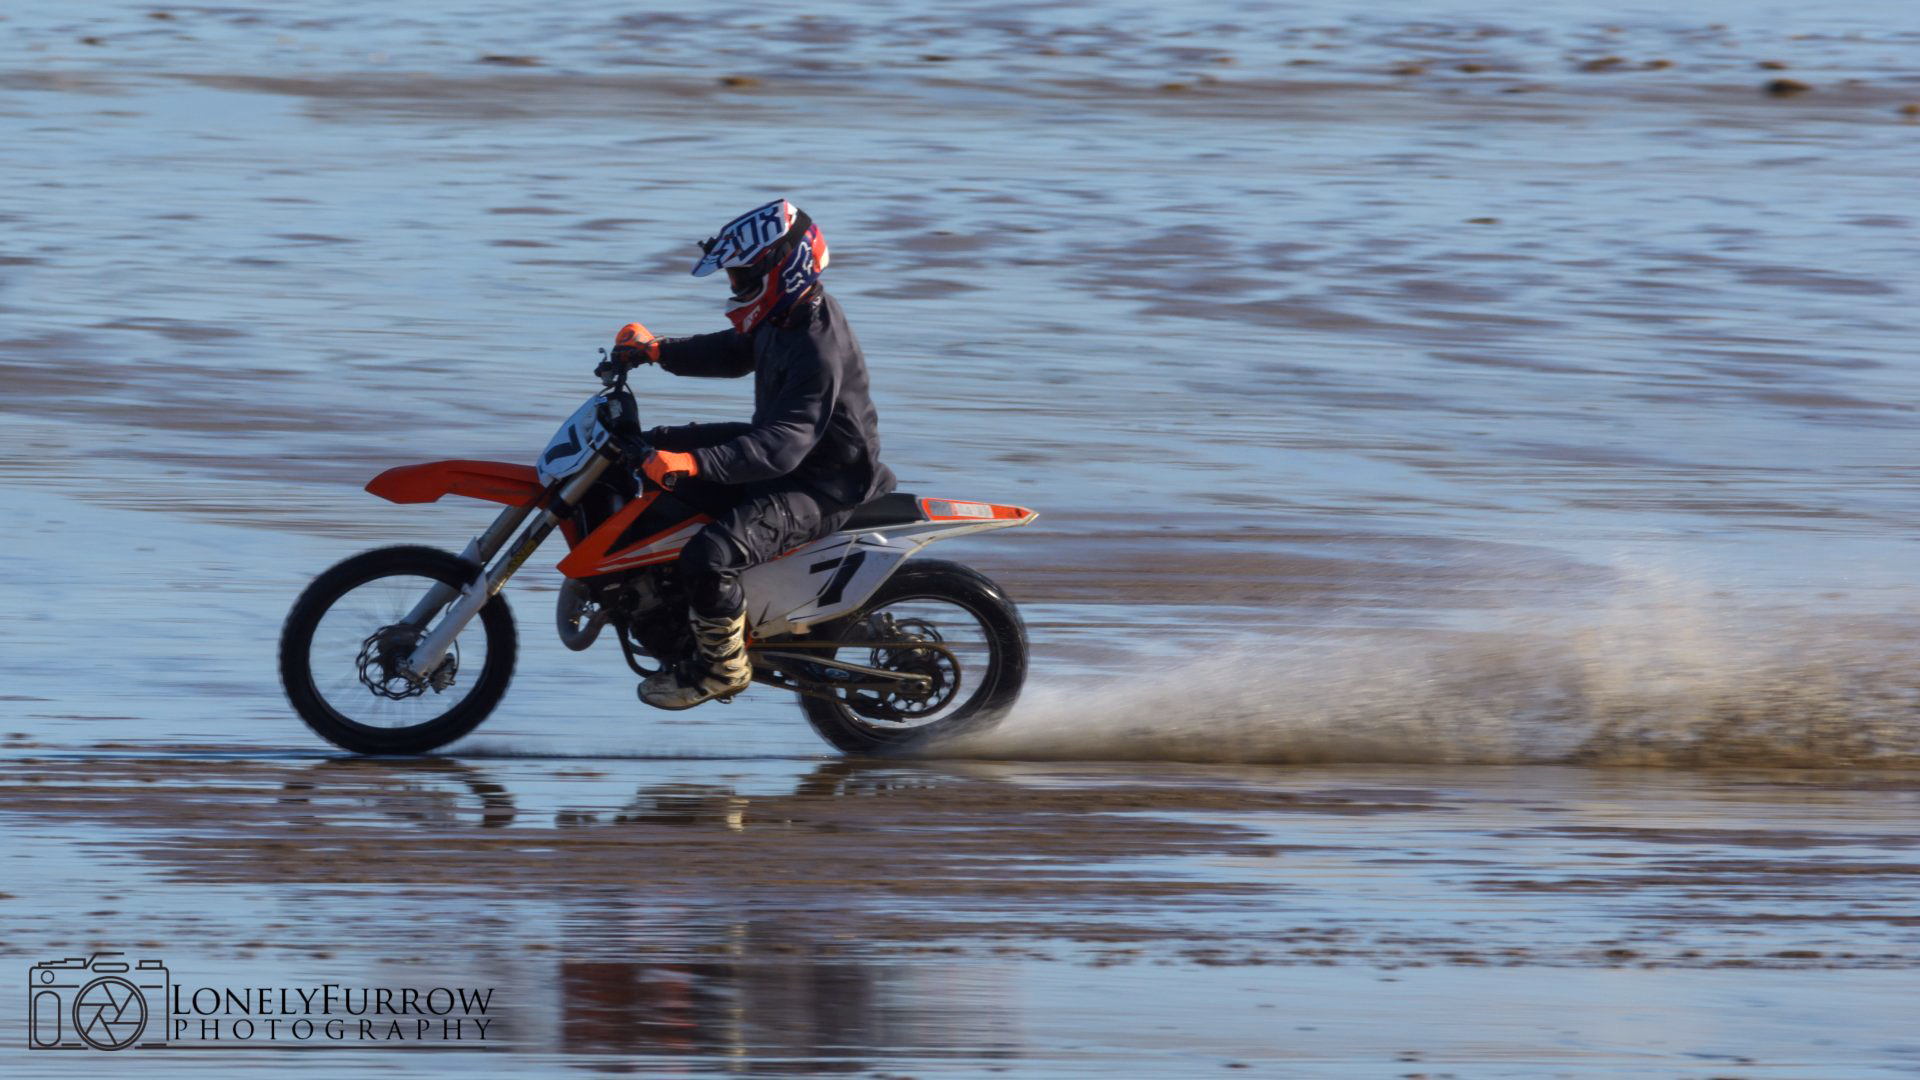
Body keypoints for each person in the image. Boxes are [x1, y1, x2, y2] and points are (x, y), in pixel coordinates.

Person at [604, 199, 896, 710]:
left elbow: (786, 443)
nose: (734, 287)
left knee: (710, 555)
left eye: (741, 276)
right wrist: (658, 350)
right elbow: (737, 351)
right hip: (787, 455)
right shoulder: (785, 314)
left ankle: (722, 667)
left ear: (782, 268)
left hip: (822, 482)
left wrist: (695, 464)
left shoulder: (817, 345)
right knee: (653, 446)